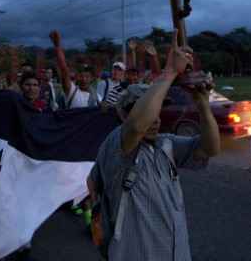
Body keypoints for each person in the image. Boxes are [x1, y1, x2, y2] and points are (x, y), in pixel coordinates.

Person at [94, 29, 220, 261]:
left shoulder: (166, 144)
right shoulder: (116, 144)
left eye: (158, 110)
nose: (155, 118)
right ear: (123, 114)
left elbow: (210, 148)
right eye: (145, 110)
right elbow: (136, 127)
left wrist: (203, 104)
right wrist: (170, 70)